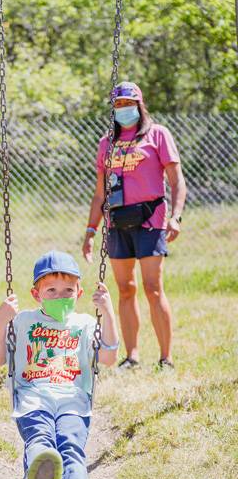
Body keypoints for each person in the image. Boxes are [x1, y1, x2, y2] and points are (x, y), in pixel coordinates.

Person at [0, 250, 118, 479]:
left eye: (68, 290)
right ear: (36, 294)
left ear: (79, 292)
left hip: (73, 401)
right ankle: (40, 477)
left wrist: (108, 312)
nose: (61, 296)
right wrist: (1, 320)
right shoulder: (23, 321)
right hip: (33, 397)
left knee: (71, 449)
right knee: (41, 438)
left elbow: (109, 357)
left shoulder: (85, 323)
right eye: (52, 291)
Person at [82, 81, 187, 370]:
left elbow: (177, 182)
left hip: (150, 220)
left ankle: (166, 359)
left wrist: (175, 217)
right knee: (125, 289)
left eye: (128, 104)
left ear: (139, 105)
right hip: (117, 223)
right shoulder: (106, 143)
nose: (123, 109)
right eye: (118, 105)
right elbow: (100, 194)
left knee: (153, 288)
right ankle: (132, 356)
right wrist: (90, 231)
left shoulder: (157, 134)